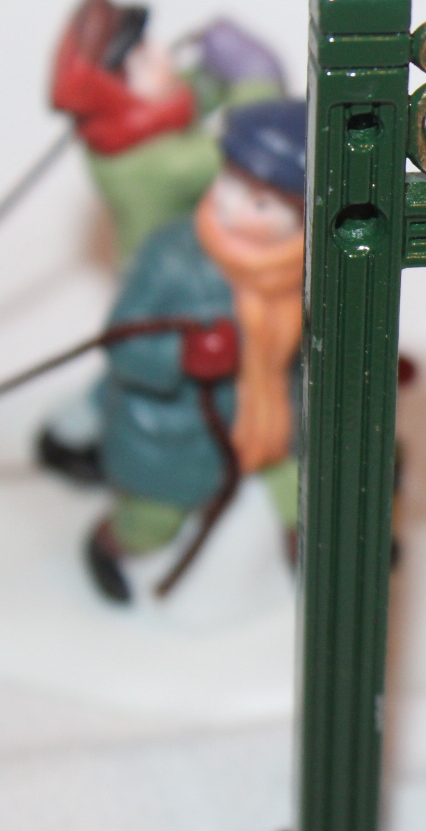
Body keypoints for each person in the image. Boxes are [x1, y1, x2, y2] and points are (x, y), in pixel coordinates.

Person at [41, 0, 286, 481]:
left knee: (143, 360)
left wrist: (214, 72)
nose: (161, 55)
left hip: (181, 264)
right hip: (170, 280)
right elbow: (241, 150)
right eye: (140, 58)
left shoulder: (137, 126)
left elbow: (186, 96)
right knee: (147, 362)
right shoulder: (150, 163)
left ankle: (77, 424)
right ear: (112, 94)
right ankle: (82, 426)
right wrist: (256, 78)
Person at [85, 99, 306, 603]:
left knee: (305, 498)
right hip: (176, 434)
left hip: (272, 421)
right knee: (151, 524)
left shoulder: (306, 269)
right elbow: (122, 344)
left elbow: (314, 342)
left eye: (261, 204)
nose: (232, 206)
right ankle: (107, 545)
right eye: (229, 183)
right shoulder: (171, 256)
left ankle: (308, 569)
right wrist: (182, 356)